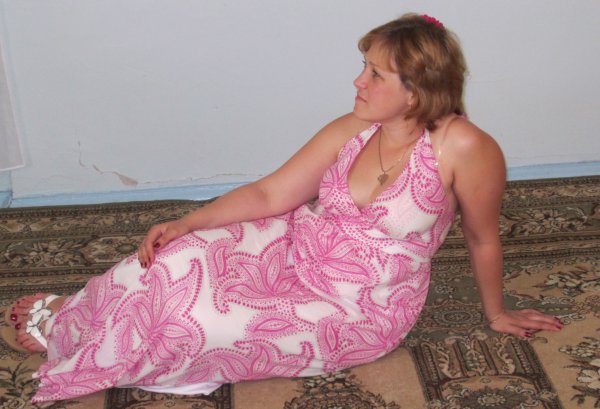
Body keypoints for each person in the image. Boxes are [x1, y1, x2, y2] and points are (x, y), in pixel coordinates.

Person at [1, 13, 563, 403]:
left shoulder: (465, 148)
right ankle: (76, 316)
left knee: (199, 320)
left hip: (358, 308)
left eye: (375, 73)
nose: (358, 80)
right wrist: (187, 222)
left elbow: (482, 237)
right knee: (175, 257)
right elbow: (272, 194)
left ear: (416, 90)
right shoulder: (353, 127)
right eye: (363, 65)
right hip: (293, 248)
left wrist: (496, 313)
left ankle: (103, 343)